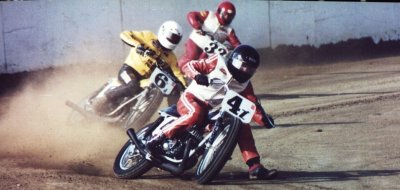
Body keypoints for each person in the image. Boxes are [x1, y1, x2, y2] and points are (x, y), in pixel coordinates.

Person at [146, 45, 278, 180]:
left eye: (250, 68)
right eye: (244, 65)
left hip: (209, 111)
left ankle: (254, 166)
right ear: (234, 60)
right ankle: (158, 138)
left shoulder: (245, 84)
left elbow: (251, 104)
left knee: (242, 124)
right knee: (195, 113)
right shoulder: (217, 61)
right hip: (191, 98)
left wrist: (263, 119)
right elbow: (189, 65)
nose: (246, 70)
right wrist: (197, 76)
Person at [92, 20, 187, 113]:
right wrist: (137, 45)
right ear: (163, 32)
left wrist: (184, 86)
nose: (172, 40)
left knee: (164, 89)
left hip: (144, 79)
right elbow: (125, 34)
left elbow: (177, 73)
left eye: (175, 39)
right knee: (132, 86)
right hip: (128, 70)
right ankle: (103, 100)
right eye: (171, 36)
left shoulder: (171, 57)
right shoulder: (148, 36)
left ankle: (173, 114)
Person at [177, 0, 241, 72]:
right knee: (192, 56)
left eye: (230, 17)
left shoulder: (229, 29)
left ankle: (195, 77)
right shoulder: (209, 15)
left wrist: (242, 52)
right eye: (225, 15)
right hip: (196, 41)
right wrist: (197, 26)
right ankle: (178, 70)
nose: (227, 17)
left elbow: (236, 43)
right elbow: (191, 15)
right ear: (220, 12)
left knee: (205, 65)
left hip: (209, 50)